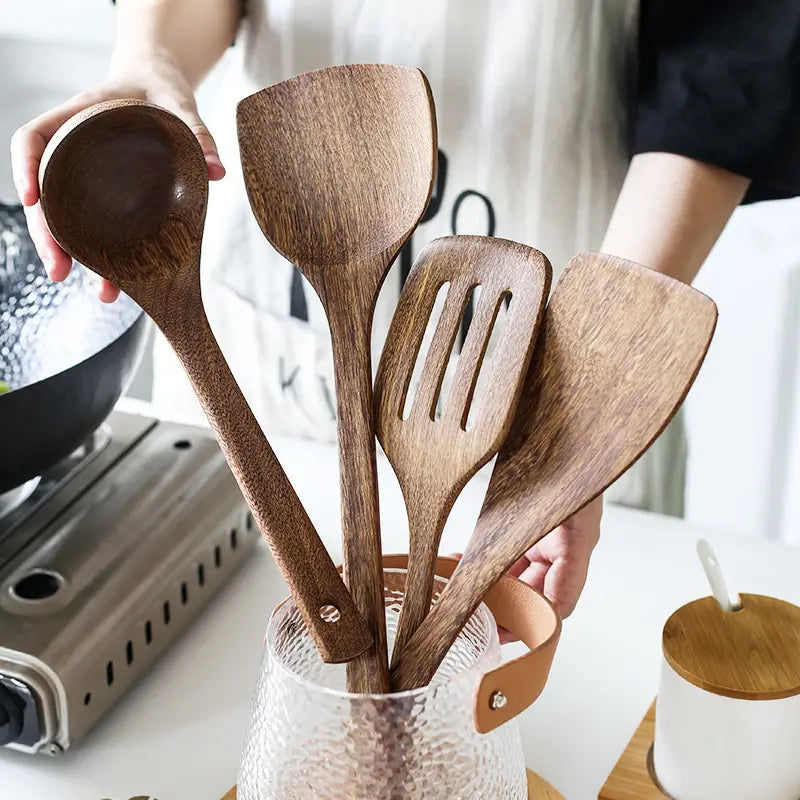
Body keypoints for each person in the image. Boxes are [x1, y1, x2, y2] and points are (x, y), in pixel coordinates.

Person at [10, 0, 800, 620]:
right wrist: (148, 59)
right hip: (271, 323)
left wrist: (585, 385)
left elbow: (732, 55)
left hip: (563, 326)